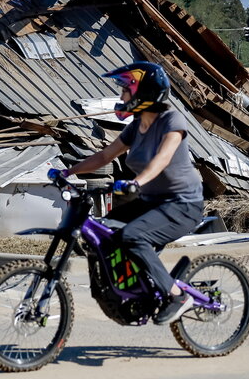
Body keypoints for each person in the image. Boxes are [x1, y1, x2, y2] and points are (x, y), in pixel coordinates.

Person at [54, 61, 203, 324]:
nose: (122, 96)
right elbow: (104, 156)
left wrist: (137, 181)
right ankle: (135, 288)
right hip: (150, 201)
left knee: (133, 237)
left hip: (182, 204)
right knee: (105, 232)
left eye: (126, 90)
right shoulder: (135, 127)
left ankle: (177, 296)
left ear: (144, 92)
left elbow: (163, 158)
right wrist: (67, 172)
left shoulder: (172, 120)